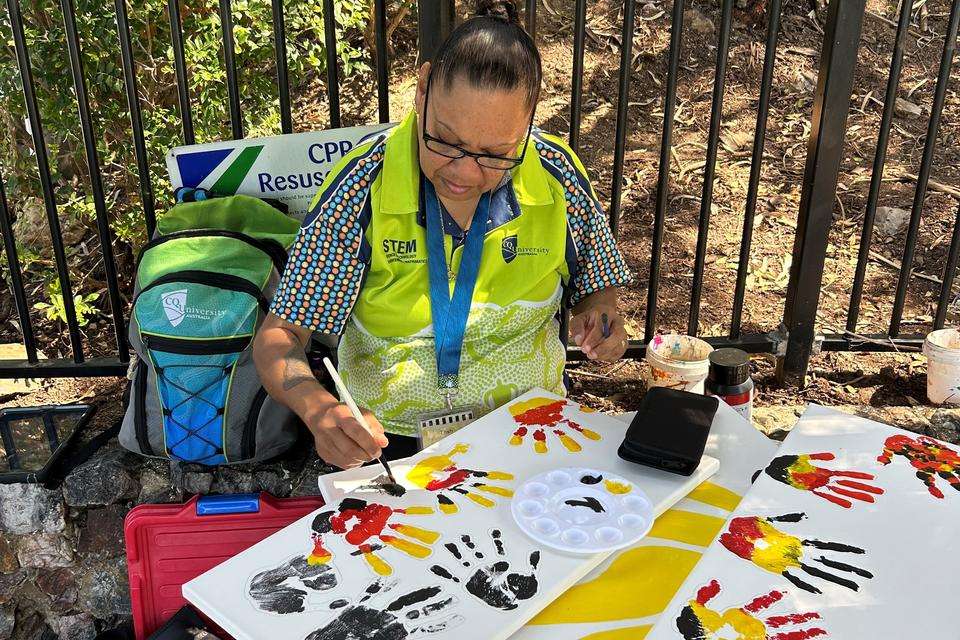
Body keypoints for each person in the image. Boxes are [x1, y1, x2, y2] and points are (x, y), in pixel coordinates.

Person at [253, 0, 632, 470]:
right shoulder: (359, 188)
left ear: (529, 121)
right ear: (422, 88)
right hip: (392, 445)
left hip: (532, 427)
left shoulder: (557, 176)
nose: (465, 174)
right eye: (446, 142)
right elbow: (281, 334)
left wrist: (600, 316)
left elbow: (598, 289)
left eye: (495, 154)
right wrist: (320, 411)